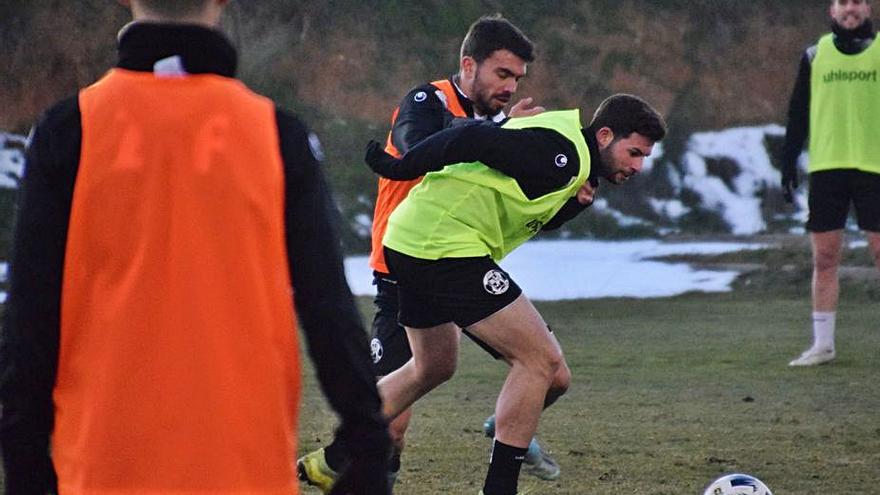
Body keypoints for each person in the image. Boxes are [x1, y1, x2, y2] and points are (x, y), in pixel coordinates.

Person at [0, 1, 390, 494]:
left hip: (102, 469)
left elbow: (29, 322)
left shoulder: (69, 130)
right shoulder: (277, 136)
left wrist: (26, 466)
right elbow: (329, 312)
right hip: (241, 469)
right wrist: (368, 448)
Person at [296, 14, 559, 493]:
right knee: (394, 426)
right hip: (403, 268)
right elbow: (415, 144)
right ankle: (338, 465)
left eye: (517, 79)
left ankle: (507, 430)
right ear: (468, 65)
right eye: (502, 74)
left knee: (551, 371)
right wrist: (500, 132)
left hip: (460, 265)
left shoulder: (498, 124)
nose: (510, 86)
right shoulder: (429, 98)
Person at [365, 94, 666, 495]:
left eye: (644, 157)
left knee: (448, 367)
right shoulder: (563, 154)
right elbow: (470, 138)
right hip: (439, 245)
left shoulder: (574, 165)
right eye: (633, 153)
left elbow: (526, 205)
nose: (637, 166)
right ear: (606, 135)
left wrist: (569, 207)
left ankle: (341, 446)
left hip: (424, 243)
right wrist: (399, 167)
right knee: (540, 361)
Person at [781, 0, 880, 367]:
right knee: (824, 257)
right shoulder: (814, 54)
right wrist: (788, 161)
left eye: (857, 2)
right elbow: (797, 111)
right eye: (843, 3)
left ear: (867, 9)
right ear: (832, 10)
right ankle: (823, 345)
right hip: (827, 168)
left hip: (874, 167)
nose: (850, 9)